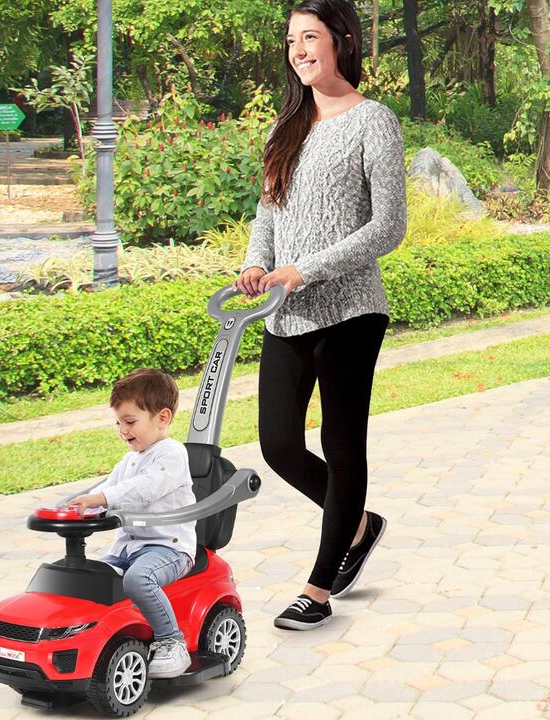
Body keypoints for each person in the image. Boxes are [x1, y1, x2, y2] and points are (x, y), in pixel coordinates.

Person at [233, 0, 407, 630]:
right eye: (290, 41)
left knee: (341, 442)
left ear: (341, 40)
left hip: (351, 311)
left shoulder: (374, 122)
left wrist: (305, 269)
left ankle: (319, 587)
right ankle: (358, 525)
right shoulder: (288, 125)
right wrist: (258, 264)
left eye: (310, 38)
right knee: (278, 444)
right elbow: (269, 212)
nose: (299, 50)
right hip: (284, 311)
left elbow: (389, 227)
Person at [64, 368, 197, 677]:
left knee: (137, 580)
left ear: (162, 418)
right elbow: (105, 490)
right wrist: (73, 506)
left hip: (168, 549)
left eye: (130, 421)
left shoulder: (172, 455)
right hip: (128, 548)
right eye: (118, 423)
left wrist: (101, 500)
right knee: (91, 578)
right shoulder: (129, 460)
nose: (123, 430)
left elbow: (142, 490)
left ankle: (171, 642)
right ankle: (98, 636)